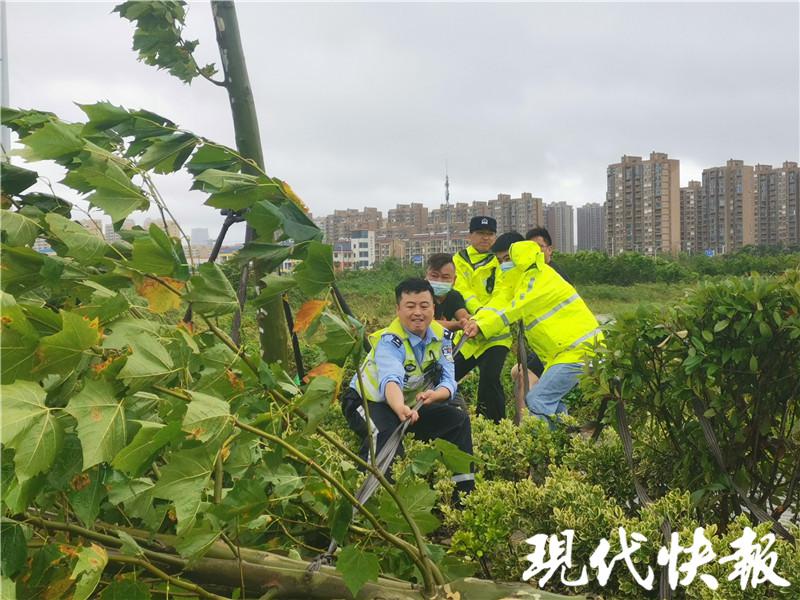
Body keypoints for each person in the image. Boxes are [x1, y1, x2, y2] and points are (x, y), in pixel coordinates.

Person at [341, 278, 475, 497]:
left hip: (412, 404)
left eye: (424, 306)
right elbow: (390, 379)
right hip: (368, 401)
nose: (418, 313)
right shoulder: (389, 341)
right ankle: (371, 503)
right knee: (385, 432)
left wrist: (436, 395)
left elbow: (449, 380)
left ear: (434, 308)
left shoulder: (442, 338)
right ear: (398, 309)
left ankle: (463, 497)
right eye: (410, 306)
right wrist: (399, 407)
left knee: (457, 421)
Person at [463, 240, 603, 425]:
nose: (503, 264)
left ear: (520, 259)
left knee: (538, 399)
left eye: (507, 259)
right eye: (499, 260)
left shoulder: (538, 278)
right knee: (555, 404)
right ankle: (566, 443)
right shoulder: (516, 282)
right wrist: (477, 320)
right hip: (564, 354)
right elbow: (499, 302)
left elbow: (514, 309)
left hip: (580, 352)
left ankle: (544, 447)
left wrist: (483, 327)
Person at [452, 216, 511, 423]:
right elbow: (461, 289)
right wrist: (478, 311)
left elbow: (502, 292)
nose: (486, 238)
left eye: (490, 234)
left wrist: (486, 317)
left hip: (496, 333)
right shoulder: (459, 259)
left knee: (490, 378)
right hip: (469, 331)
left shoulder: (501, 260)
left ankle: (494, 426)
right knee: (447, 375)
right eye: (480, 234)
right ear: (470, 236)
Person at [425, 253, 470, 331]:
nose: (439, 281)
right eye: (434, 276)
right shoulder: (419, 295)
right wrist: (457, 325)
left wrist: (473, 320)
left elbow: (463, 316)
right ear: (426, 275)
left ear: (454, 280)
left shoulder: (453, 296)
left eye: (445, 277)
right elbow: (427, 324)